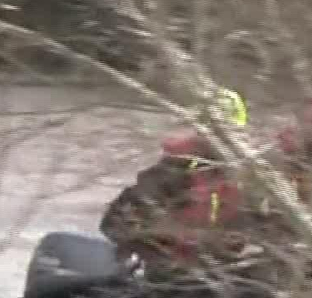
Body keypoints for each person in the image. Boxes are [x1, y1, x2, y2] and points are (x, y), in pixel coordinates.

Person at [99, 87, 257, 275]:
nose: (227, 143)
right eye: (218, 133)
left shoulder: (255, 179)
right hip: (173, 275)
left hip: (230, 275)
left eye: (233, 134)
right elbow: (115, 225)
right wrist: (187, 239)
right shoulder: (174, 171)